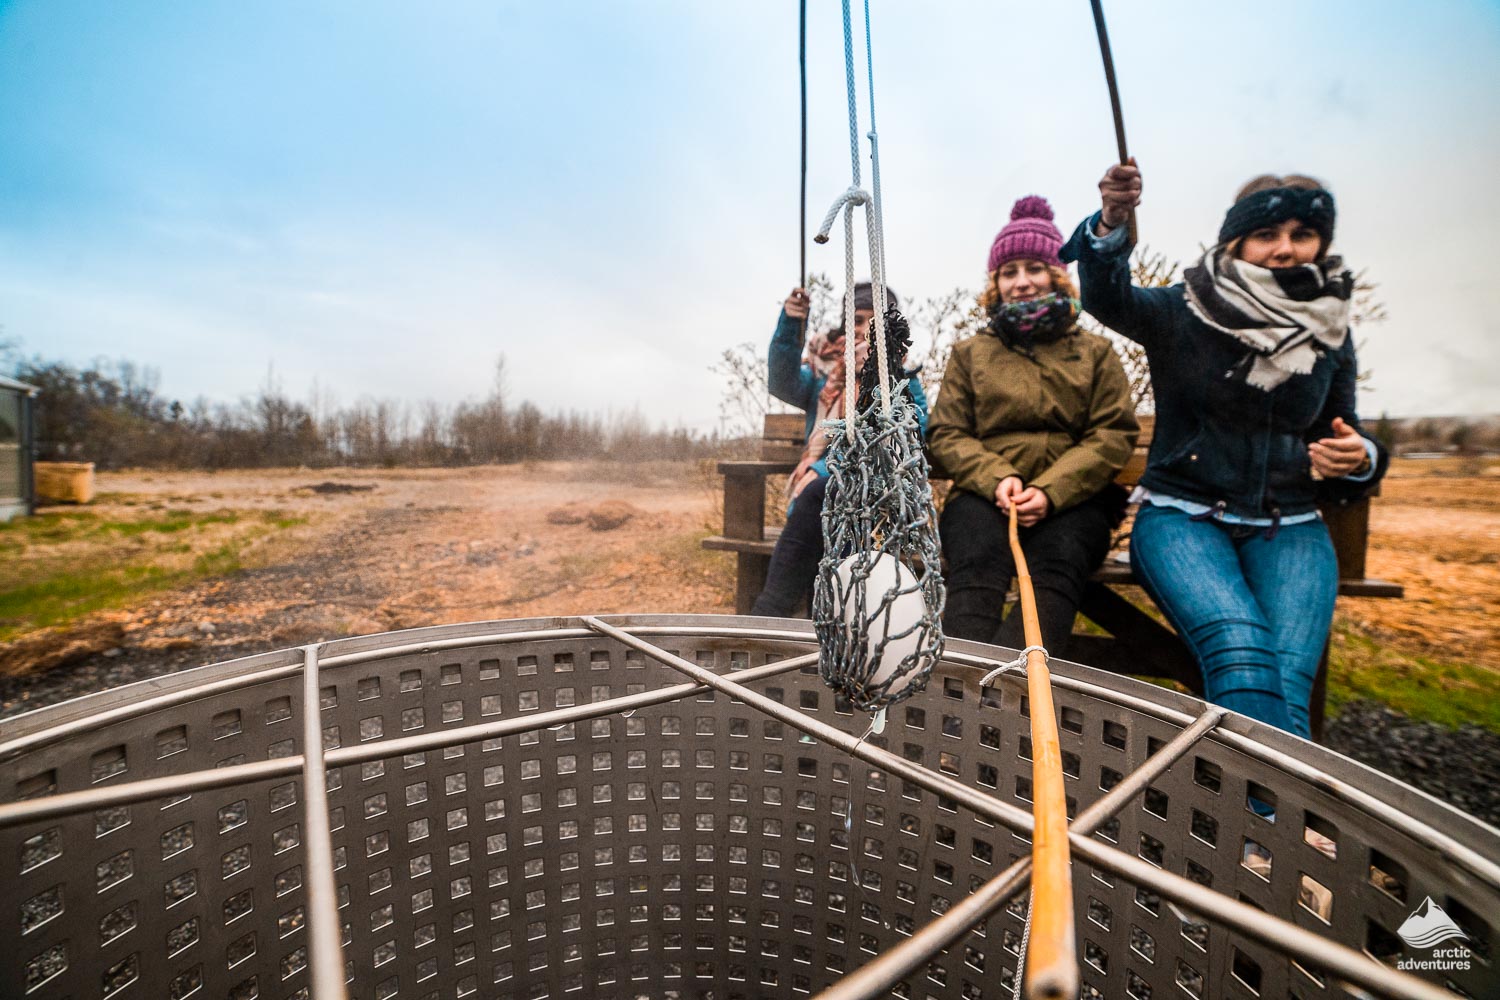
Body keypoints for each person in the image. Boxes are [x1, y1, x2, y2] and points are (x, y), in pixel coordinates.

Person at [1061, 162, 1387, 739]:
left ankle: (1262, 821)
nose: (1285, 250)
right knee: (1240, 649)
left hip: (1291, 525)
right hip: (1183, 519)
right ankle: (1278, 821)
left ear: (1322, 243)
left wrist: (1361, 457)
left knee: (1285, 680)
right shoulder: (1185, 309)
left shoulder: (1330, 327)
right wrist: (1112, 221)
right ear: (1235, 240)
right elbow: (1107, 298)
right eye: (1267, 235)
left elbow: (1346, 433)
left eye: (1302, 235)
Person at [928, 196, 1139, 655]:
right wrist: (996, 478)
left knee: (1056, 573)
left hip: (1075, 499)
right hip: (986, 495)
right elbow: (947, 432)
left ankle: (1012, 702)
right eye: (1009, 272)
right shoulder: (971, 353)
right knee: (975, 569)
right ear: (996, 283)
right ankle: (954, 700)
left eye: (1034, 269)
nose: (1022, 282)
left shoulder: (1094, 353)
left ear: (1056, 276)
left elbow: (1112, 433)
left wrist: (1051, 491)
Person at [751, 281, 928, 617]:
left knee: (824, 495)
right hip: (819, 508)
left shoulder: (904, 382)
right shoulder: (828, 377)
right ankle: (786, 622)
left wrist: (823, 470)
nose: (865, 330)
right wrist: (792, 324)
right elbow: (782, 382)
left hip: (877, 506)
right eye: (857, 320)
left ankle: (776, 616)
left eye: (875, 322)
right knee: (821, 507)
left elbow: (906, 439)